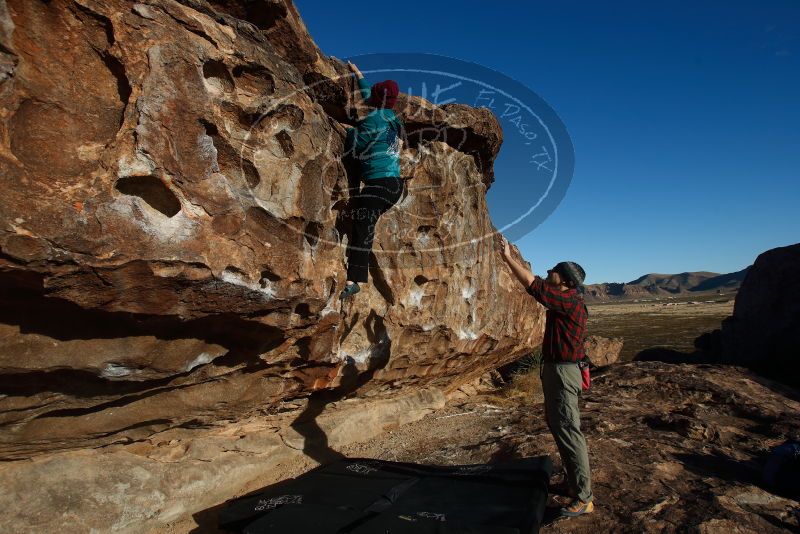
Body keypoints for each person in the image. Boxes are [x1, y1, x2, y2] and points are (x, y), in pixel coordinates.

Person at [497, 234, 594, 518]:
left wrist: (507, 257)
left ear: (564, 281)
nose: (549, 270)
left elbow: (533, 285)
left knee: (568, 430)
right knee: (559, 426)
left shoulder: (568, 301)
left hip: (564, 373)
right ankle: (573, 482)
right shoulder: (567, 299)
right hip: (558, 370)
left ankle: (584, 497)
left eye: (554, 269)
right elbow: (538, 283)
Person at [339, 61, 404, 301]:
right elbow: (371, 97)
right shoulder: (394, 121)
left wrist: (350, 132)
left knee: (363, 225)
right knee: (366, 216)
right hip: (395, 185)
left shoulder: (373, 121)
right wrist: (358, 75)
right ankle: (355, 276)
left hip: (378, 185)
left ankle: (353, 280)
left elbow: (357, 146)